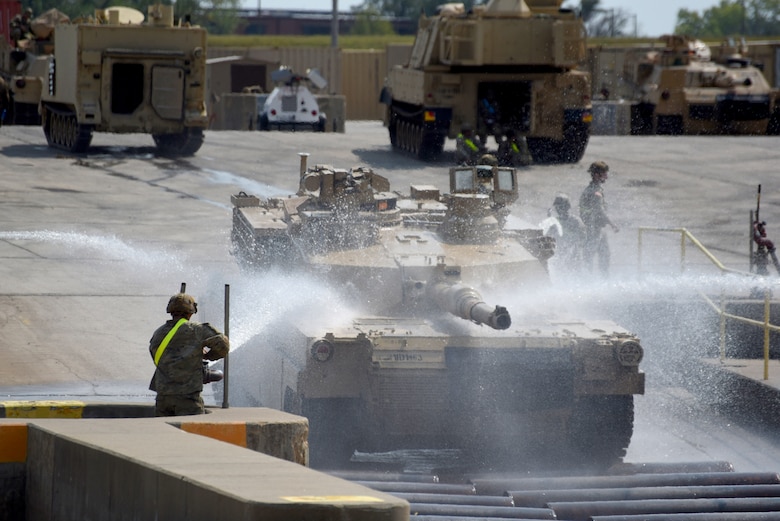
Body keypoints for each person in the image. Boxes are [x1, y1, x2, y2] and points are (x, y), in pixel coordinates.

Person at [148, 293, 229, 416]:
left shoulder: (158, 333)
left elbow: (157, 357)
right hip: (188, 398)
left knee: (165, 432)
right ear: (191, 312)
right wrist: (209, 356)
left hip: (163, 397)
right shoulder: (196, 330)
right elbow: (223, 345)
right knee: (192, 431)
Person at [579, 161, 619, 276]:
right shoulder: (595, 192)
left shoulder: (595, 189)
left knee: (604, 255)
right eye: (604, 173)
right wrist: (612, 224)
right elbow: (599, 211)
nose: (606, 176)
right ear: (596, 175)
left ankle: (603, 279)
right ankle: (588, 282)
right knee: (589, 256)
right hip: (593, 230)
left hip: (597, 229)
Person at [546, 193, 586, 274]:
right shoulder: (554, 221)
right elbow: (548, 237)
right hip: (560, 257)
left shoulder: (575, 221)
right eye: (557, 207)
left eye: (560, 207)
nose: (558, 209)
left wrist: (572, 245)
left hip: (573, 258)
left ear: (566, 207)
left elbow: (582, 238)